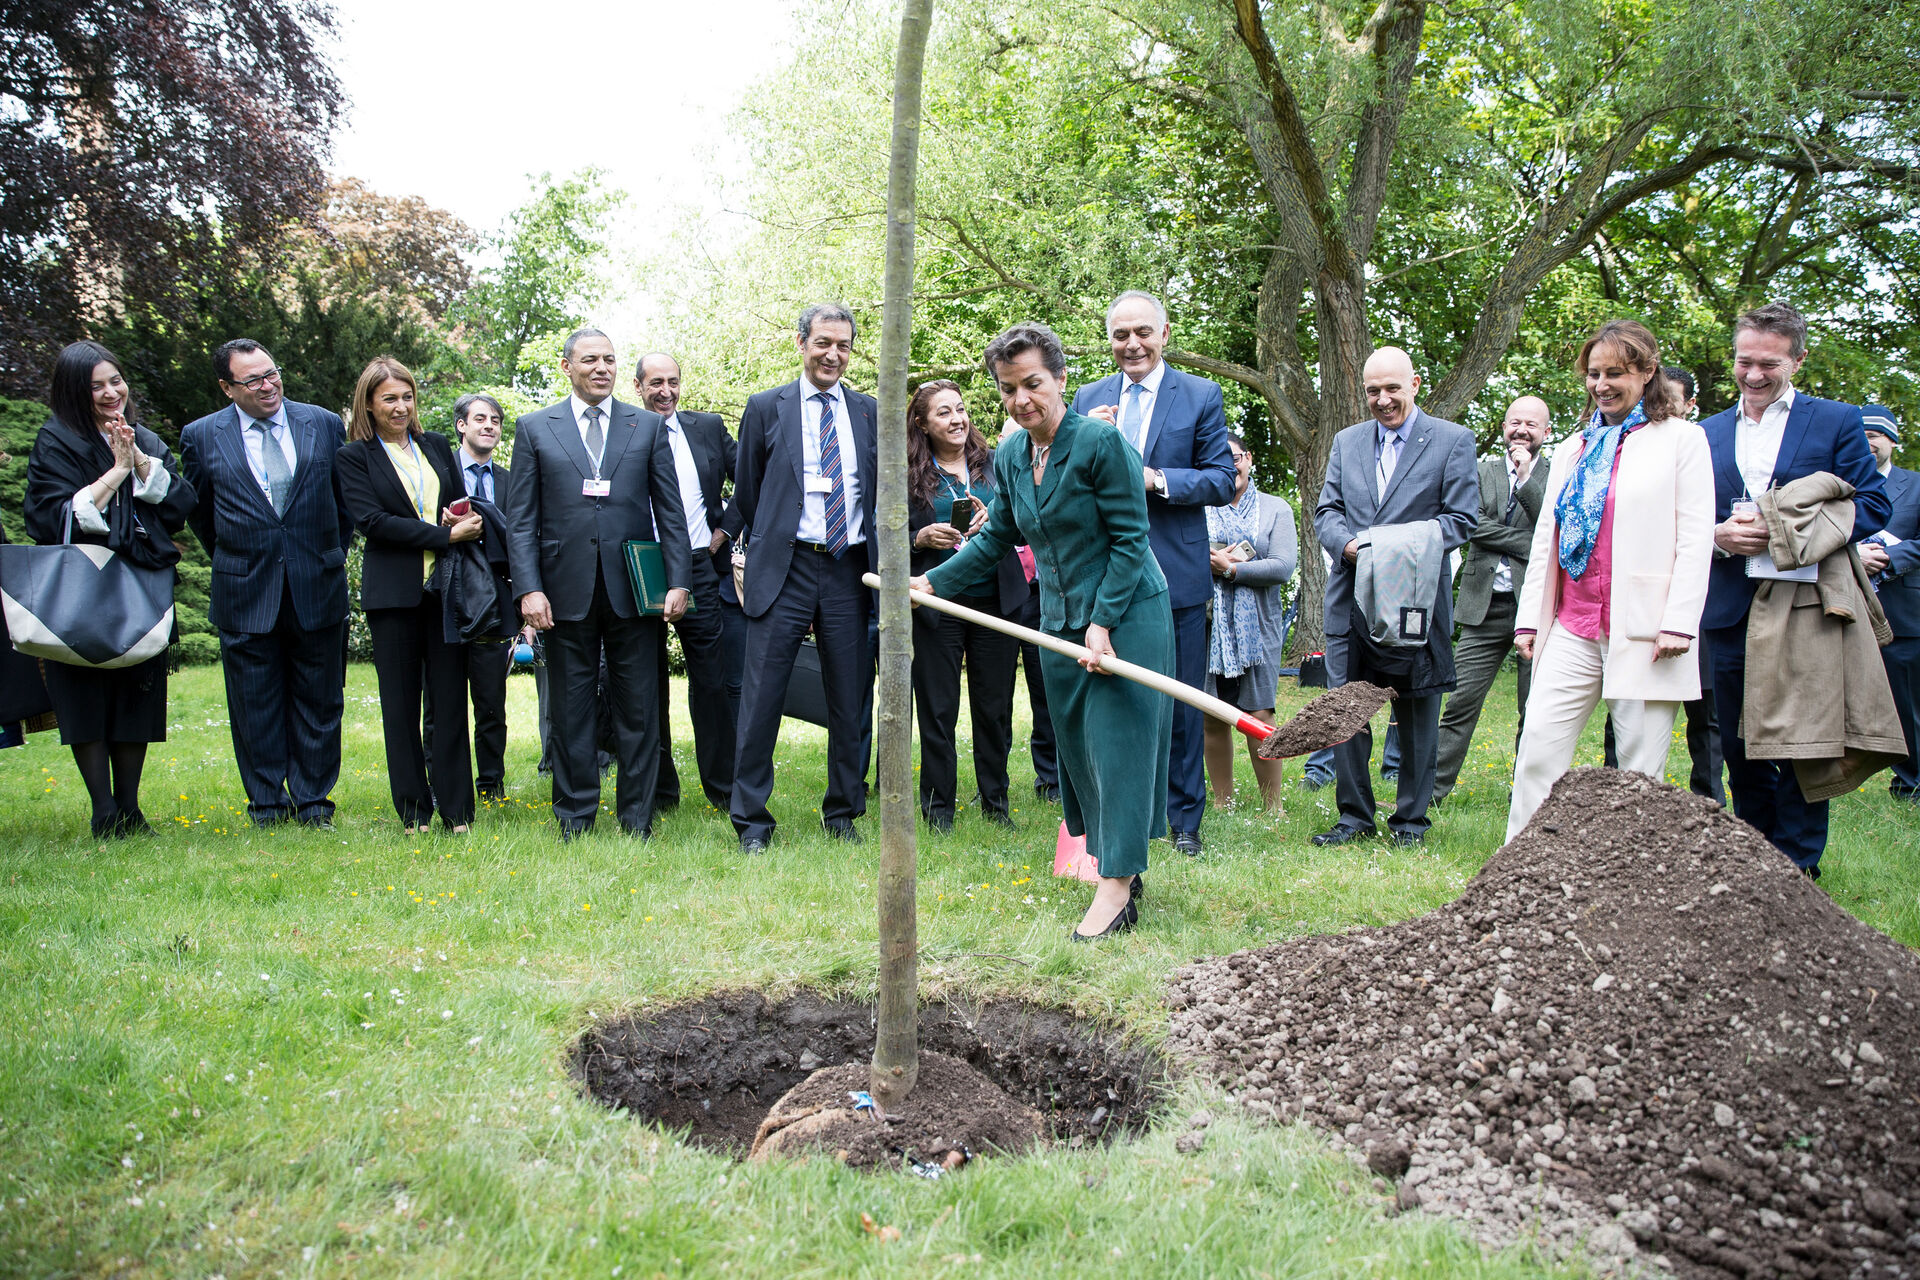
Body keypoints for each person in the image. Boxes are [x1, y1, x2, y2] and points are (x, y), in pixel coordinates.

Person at [915, 322, 1174, 940]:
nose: (1021, 399)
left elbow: (1131, 541)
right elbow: (997, 538)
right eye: (1008, 389)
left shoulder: (1101, 444)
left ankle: (1116, 891)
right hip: (1057, 621)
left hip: (1125, 615)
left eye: (1032, 383)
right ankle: (1118, 866)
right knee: (1081, 752)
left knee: (1118, 747)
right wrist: (934, 583)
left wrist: (1103, 624)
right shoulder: (1010, 455)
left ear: (1059, 379)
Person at [1504, 320, 1714, 840]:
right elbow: (1547, 537)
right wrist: (1529, 620)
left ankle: (1630, 876)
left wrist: (1679, 623)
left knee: (1638, 772)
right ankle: (1523, 866)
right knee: (1538, 748)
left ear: (1647, 371)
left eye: (1615, 373)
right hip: (1572, 623)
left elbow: (1695, 539)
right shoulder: (1574, 447)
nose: (1601, 384)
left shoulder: (1682, 440)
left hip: (1645, 629)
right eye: (1594, 374)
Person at [1702, 302, 1889, 876]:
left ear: (1798, 360)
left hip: (1806, 604)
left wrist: (1791, 531)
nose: (1754, 375)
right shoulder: (1706, 431)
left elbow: (1874, 504)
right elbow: (1683, 515)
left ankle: (1797, 866)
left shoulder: (1835, 420)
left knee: (1804, 742)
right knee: (1739, 746)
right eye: (1744, 361)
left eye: (1770, 364)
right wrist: (1717, 537)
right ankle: (1754, 859)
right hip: (1729, 607)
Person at [504, 329, 690, 840]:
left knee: (639, 709)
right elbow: (521, 520)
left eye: (609, 359)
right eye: (590, 359)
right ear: (567, 367)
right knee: (570, 710)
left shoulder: (646, 426)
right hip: (563, 592)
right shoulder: (535, 428)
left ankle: (637, 819)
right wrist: (528, 589)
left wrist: (679, 581)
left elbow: (670, 511)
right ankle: (574, 816)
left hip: (633, 591)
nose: (602, 367)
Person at [1071, 290, 1235, 855]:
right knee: (1116, 701)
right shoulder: (1087, 398)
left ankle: (1184, 819)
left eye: (1143, 332)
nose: (1132, 344)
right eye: (1121, 335)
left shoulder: (1200, 395)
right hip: (1106, 578)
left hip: (1176, 572)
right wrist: (1081, 441)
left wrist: (1155, 479)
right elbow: (1066, 481)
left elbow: (1220, 479)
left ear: (1164, 333)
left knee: (1181, 700)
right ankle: (1122, 814)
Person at [22, 341, 196, 836]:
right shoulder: (57, 441)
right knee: (85, 697)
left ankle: (131, 808)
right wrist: (116, 472)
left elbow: (180, 505)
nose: (110, 392)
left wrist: (137, 459)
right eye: (95, 386)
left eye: (115, 381)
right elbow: (46, 518)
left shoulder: (144, 437)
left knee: (137, 694)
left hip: (140, 582)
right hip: (80, 588)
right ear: (73, 391)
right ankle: (103, 810)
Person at [181, 339, 355, 829]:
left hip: (316, 584)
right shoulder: (201, 436)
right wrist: (241, 557)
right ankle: (267, 806)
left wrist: (325, 555)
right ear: (227, 387)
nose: (267, 385)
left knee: (320, 703)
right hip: (245, 590)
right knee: (253, 707)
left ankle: (314, 803)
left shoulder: (322, 423)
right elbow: (201, 514)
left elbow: (343, 505)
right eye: (252, 379)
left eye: (271, 373)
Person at [1311, 347, 1478, 846]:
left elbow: (1461, 520)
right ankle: (1354, 818)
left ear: (1415, 384)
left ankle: (1410, 822)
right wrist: (1347, 546)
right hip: (1350, 599)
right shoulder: (1346, 441)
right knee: (1345, 712)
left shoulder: (1452, 440)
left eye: (1392, 389)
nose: (1382, 399)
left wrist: (1385, 547)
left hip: (1415, 604)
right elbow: (1327, 511)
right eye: (1372, 391)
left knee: (1417, 715)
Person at [729, 304, 879, 853]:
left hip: (849, 569)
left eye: (843, 345)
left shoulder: (868, 411)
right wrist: (776, 538)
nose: (833, 355)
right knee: (762, 697)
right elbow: (749, 491)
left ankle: (843, 813)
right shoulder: (765, 407)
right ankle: (751, 821)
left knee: (849, 697)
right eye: (823, 343)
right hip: (784, 569)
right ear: (801, 343)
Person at [336, 358, 484, 832]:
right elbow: (373, 522)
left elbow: (459, 503)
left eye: (407, 397)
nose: (401, 407)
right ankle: (414, 812)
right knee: (400, 708)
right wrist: (444, 536)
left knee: (450, 703)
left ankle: (457, 812)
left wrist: (460, 519)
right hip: (393, 597)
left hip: (445, 593)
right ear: (369, 404)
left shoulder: (435, 444)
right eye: (389, 399)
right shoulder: (353, 457)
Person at [1601, 366, 1726, 804]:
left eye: (1670, 400)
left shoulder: (1695, 442)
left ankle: (1708, 800)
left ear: (1689, 404)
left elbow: (1698, 526)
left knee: (1705, 712)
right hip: (1640, 604)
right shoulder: (1625, 447)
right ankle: (1616, 790)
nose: (1660, 406)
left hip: (1703, 602)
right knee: (1628, 708)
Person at [906, 379, 1025, 831]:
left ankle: (996, 804)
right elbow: (883, 532)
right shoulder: (908, 473)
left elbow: (1028, 520)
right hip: (936, 604)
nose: (957, 419)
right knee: (938, 710)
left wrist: (998, 519)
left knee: (994, 710)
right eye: (944, 412)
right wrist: (919, 537)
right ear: (922, 423)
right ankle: (939, 811)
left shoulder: (997, 464)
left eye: (960, 409)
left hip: (997, 601)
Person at [1430, 396, 1550, 805]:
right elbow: (1471, 525)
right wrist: (1532, 543)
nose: (1521, 430)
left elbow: (1554, 526)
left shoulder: (1555, 475)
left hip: (1535, 608)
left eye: (1531, 424)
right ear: (1503, 427)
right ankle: (1431, 794)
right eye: (1515, 422)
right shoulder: (1481, 472)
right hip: (1483, 607)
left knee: (1533, 711)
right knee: (1459, 703)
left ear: (1546, 432)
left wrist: (1526, 476)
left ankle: (1527, 799)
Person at [635, 352, 738, 812]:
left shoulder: (708, 427)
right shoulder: (627, 431)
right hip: (643, 566)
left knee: (712, 682)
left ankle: (724, 790)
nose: (666, 391)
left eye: (673, 382)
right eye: (656, 383)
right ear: (638, 387)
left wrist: (727, 529)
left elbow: (751, 478)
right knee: (646, 681)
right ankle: (661, 792)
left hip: (699, 564)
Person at [1201, 433, 1297, 810]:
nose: (1230, 467)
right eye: (1219, 461)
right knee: (1212, 714)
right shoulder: (1198, 507)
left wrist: (1231, 569)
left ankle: (1273, 806)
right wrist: (1206, 561)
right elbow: (1180, 557)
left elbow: (1283, 567)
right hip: (1208, 626)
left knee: (1260, 714)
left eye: (1235, 458)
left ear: (1249, 459)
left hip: (1260, 626)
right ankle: (1222, 802)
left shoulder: (1276, 509)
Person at [449, 393, 528, 801]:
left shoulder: (512, 480)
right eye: (480, 419)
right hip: (447, 598)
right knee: (442, 703)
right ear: (461, 425)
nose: (489, 426)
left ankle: (491, 785)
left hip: (496, 604)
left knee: (491, 703)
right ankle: (444, 783)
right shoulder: (440, 472)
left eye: (495, 420)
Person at [1856, 405, 1918, 802]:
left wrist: (1889, 557)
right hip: (1843, 609)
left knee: (1907, 703)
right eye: (1859, 436)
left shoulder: (1916, 485)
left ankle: (1910, 784)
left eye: (1874, 436)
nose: (1866, 443)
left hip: (1901, 612)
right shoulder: (1838, 483)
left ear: (1892, 441)